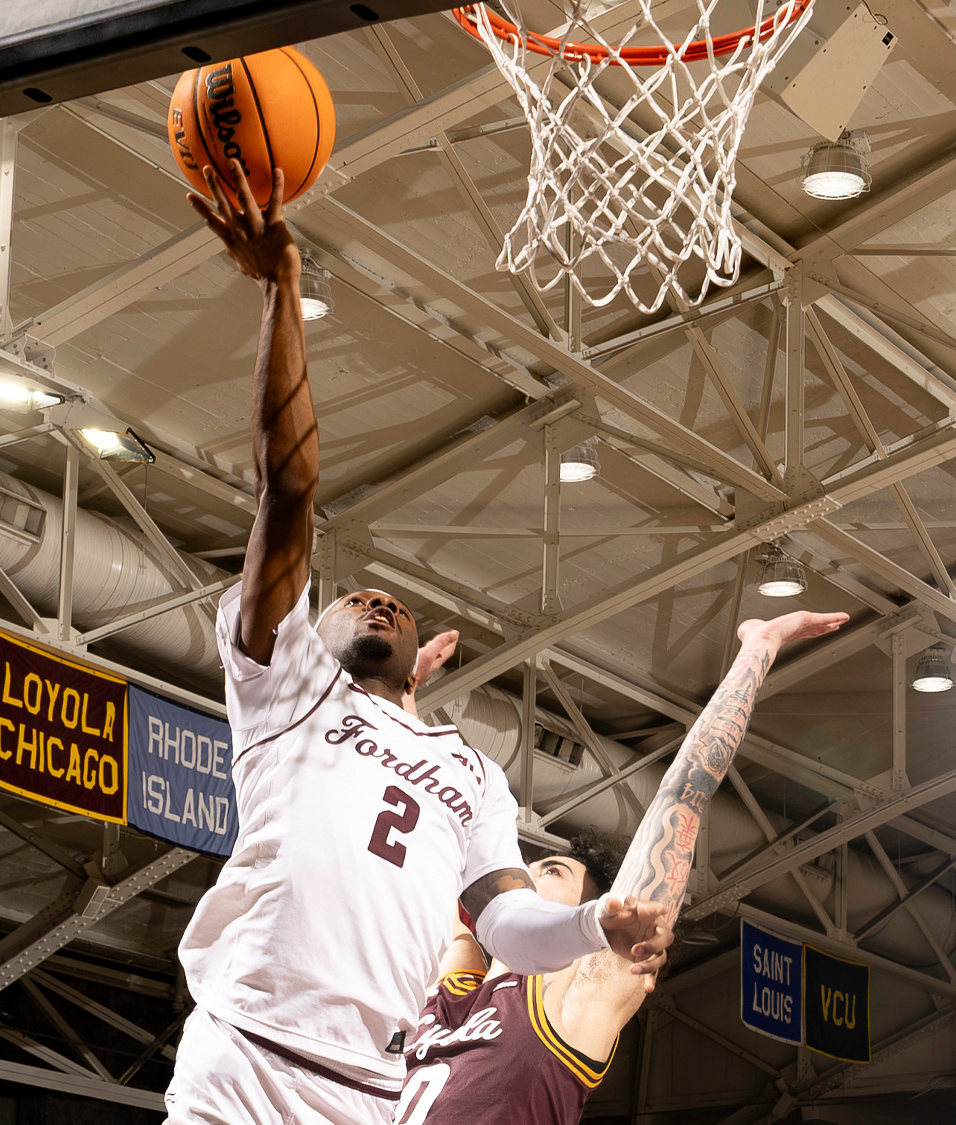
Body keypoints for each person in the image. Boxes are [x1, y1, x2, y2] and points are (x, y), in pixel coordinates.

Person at [163, 163, 675, 1125]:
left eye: (392, 603)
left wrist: (589, 923)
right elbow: (288, 487)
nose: (373, 601)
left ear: (419, 659)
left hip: (367, 1087)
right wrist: (281, 289)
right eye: (351, 597)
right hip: (247, 1049)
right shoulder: (287, 688)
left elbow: (508, 925)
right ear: (310, 634)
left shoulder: (473, 773)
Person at [395, 609, 849, 1124]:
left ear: (598, 913)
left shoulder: (577, 996)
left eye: (553, 872)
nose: (528, 871)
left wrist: (760, 647)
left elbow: (686, 790)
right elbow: (419, 789)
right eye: (533, 864)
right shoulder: (456, 990)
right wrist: (405, 695)